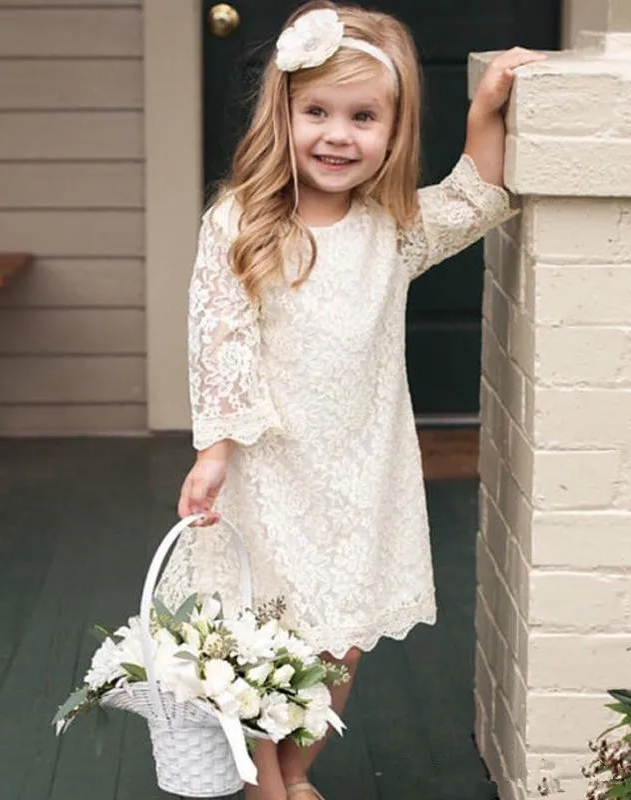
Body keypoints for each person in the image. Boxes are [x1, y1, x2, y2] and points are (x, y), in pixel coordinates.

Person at [160, 2, 545, 798]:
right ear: (285, 114)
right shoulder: (242, 222)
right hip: (266, 469)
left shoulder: (388, 228)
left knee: (341, 636)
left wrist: (485, 112)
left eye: (363, 117)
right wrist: (214, 450)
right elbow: (219, 336)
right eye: (318, 113)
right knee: (255, 632)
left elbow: (476, 201)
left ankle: (295, 771)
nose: (338, 135)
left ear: (394, 129)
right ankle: (264, 781)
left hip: (361, 471)